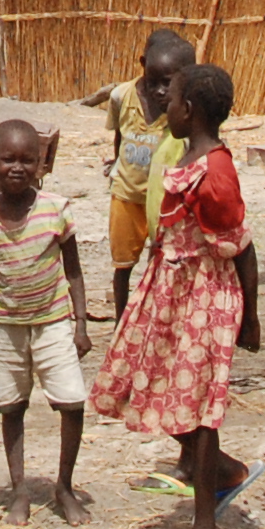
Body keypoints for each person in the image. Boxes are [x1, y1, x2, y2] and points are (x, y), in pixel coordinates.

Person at [87, 63, 261, 529]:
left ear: (192, 110)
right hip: (171, 293)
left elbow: (241, 247)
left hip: (204, 301)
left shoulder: (217, 172)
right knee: (148, 386)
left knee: (201, 409)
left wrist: (248, 319)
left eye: (175, 99)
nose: (166, 106)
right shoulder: (186, 157)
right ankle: (225, 472)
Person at [0, 118, 91, 524]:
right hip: (6, 328)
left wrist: (80, 325)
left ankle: (64, 486)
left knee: (72, 402)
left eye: (27, 160)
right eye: (7, 159)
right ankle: (19, 490)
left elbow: (73, 270)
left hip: (54, 321)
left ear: (42, 164)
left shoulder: (56, 210)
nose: (17, 168)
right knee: (11, 407)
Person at [76, 31, 191, 323]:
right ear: (143, 64)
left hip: (163, 200)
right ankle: (121, 322)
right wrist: (117, 165)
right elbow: (121, 134)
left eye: (169, 82)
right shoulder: (121, 96)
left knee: (163, 261)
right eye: (155, 81)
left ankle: (158, 319)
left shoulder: (181, 107)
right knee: (123, 265)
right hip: (126, 195)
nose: (161, 91)